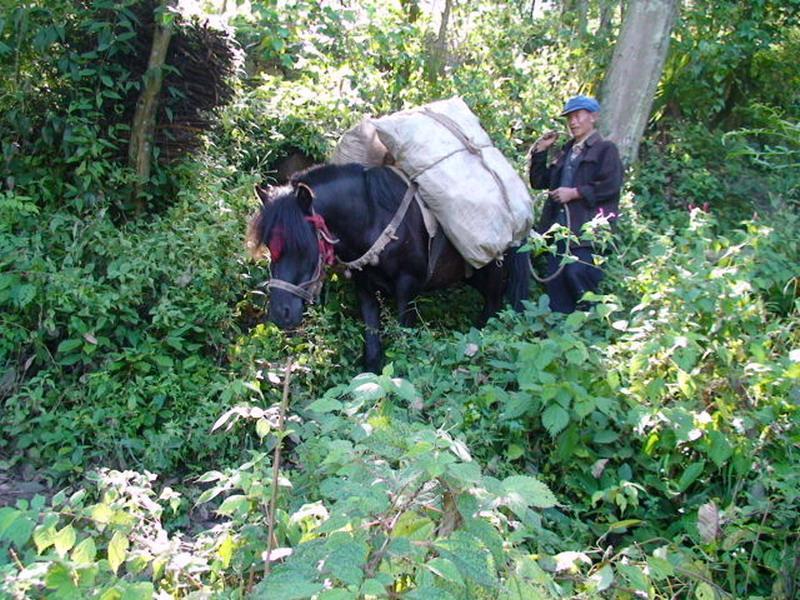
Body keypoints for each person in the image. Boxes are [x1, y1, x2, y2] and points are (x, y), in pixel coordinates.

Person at [528, 95, 624, 313]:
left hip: (586, 234)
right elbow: (539, 182)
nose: (573, 122)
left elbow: (611, 185)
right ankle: (559, 335)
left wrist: (575, 193)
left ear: (593, 117)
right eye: (570, 117)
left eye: (578, 115)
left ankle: (590, 327)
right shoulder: (566, 151)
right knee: (555, 284)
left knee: (578, 276)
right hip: (558, 232)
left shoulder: (605, 149)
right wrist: (541, 151)